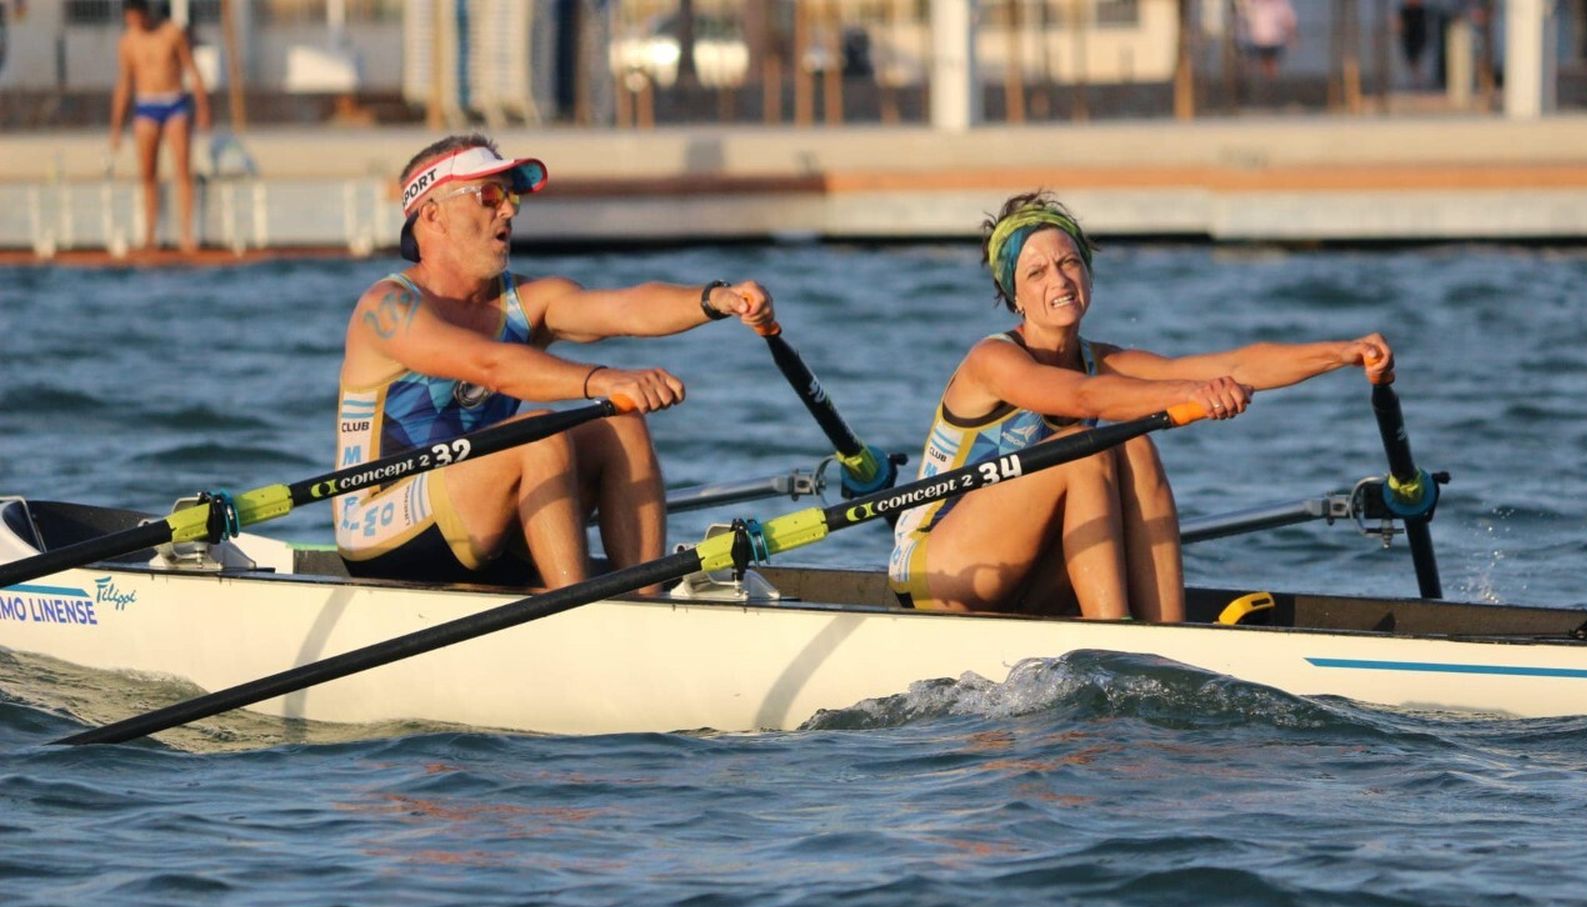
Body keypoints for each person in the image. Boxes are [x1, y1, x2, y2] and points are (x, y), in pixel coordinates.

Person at [888, 191, 1394, 622]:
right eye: (1037, 272)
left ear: (1087, 273)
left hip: (1022, 571)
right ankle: (1117, 645)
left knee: (1134, 447)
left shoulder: (1101, 359)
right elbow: (1082, 398)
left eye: (1068, 263)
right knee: (1086, 451)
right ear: (1014, 295)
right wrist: (1188, 396)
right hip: (941, 571)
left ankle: (1164, 645)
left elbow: (1235, 365)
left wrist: (1343, 352)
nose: (1058, 281)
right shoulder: (993, 359)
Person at [336, 133, 773, 589]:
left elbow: (625, 308)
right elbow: (492, 366)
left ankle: (646, 602)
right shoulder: (386, 308)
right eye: (489, 196)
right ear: (433, 215)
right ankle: (574, 607)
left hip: (484, 519)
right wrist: (602, 380)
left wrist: (716, 298)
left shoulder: (527, 301)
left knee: (621, 425)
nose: (508, 210)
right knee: (538, 438)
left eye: (511, 197)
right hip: (383, 529)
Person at [109, 0, 211, 253]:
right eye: (129, 19)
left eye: (137, 17)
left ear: (146, 13)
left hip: (175, 102)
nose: (134, 23)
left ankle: (186, 235)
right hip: (146, 105)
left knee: (182, 170)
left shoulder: (171, 33)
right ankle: (150, 235)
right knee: (147, 174)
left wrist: (203, 108)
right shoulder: (128, 43)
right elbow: (124, 84)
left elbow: (192, 69)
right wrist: (116, 127)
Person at [1239, 0, 1298, 83]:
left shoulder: (1281, 3)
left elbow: (1288, 21)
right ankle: (1252, 84)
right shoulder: (1252, 3)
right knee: (1250, 64)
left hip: (1275, 41)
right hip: (1256, 41)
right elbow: (1242, 14)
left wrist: (1292, 37)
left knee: (1270, 65)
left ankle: (1271, 85)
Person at [1396, 0, 1432, 89]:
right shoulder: (1405, 10)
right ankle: (1417, 81)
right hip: (1409, 38)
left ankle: (1418, 81)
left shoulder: (1421, 10)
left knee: (1417, 60)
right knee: (1412, 61)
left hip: (1418, 37)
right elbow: (1399, 24)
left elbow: (1426, 24)